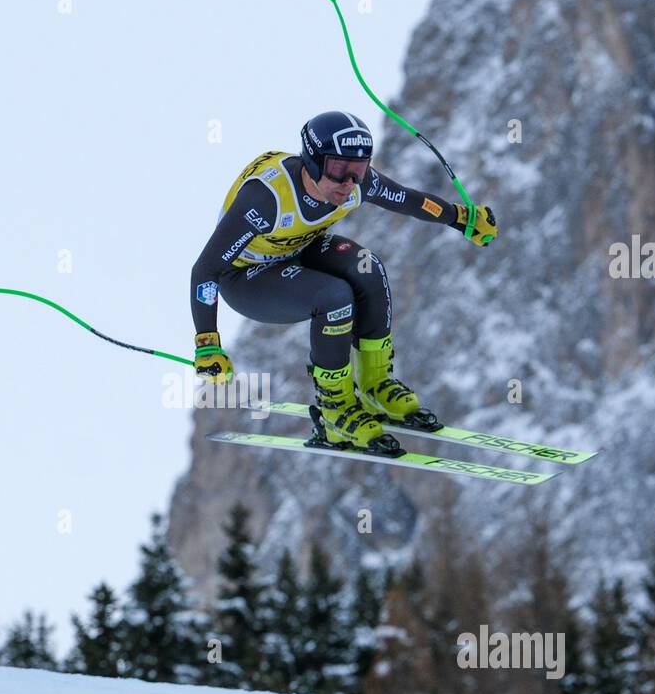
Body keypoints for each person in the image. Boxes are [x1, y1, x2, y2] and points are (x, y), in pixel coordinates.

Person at [190, 110, 496, 452]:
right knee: (334, 298)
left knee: (369, 269)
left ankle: (375, 385)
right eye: (338, 170)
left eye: (359, 169)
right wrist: (207, 342)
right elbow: (205, 270)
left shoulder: (355, 183)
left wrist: (462, 218)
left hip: (296, 248)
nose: (349, 182)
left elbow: (408, 200)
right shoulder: (266, 200)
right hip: (245, 276)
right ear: (313, 161)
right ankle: (334, 411)